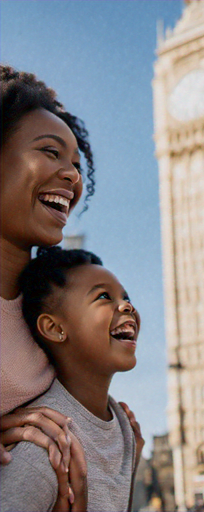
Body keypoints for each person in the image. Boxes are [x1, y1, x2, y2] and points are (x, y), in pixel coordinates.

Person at [0, 64, 141, 510]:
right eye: (50, 152)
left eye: (76, 165)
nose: (71, 176)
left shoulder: (47, 307)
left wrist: (110, 433)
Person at [1, 246, 142, 512]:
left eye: (126, 296)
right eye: (103, 296)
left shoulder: (125, 429)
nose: (127, 305)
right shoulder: (46, 447)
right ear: (55, 329)